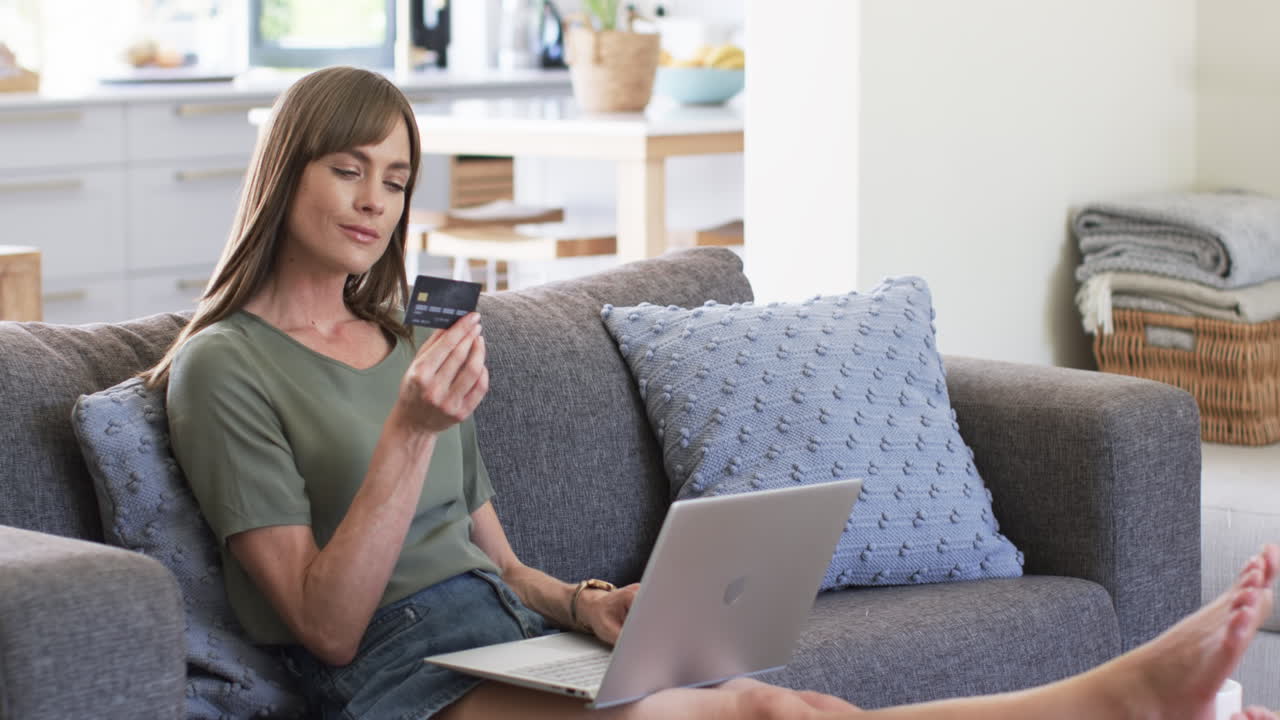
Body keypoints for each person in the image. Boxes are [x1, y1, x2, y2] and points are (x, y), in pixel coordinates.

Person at [145, 65, 1278, 720]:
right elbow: (325, 628)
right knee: (743, 713)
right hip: (396, 682)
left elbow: (493, 561)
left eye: (395, 179)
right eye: (346, 169)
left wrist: (583, 602)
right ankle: (1106, 705)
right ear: (283, 168)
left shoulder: (405, 341)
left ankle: (1112, 703)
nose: (374, 202)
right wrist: (406, 432)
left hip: (496, 640)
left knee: (799, 707)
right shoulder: (223, 367)